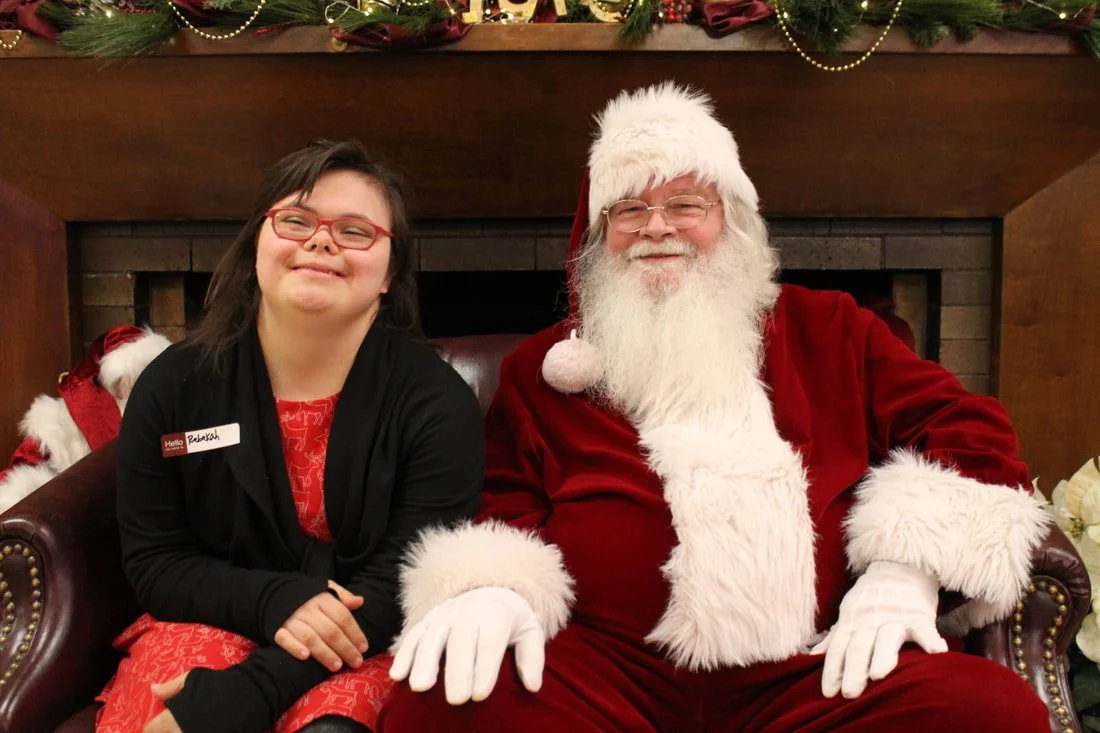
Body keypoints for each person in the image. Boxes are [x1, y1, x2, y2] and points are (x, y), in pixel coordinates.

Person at [376, 83, 1054, 732]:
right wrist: (497, 588)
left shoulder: (834, 330)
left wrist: (908, 569)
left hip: (813, 673)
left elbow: (969, 429)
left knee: (991, 713)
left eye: (686, 204)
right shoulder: (542, 372)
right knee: (437, 703)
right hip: (605, 674)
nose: (657, 228)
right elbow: (504, 501)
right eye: (630, 210)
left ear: (731, 219)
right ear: (598, 236)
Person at [95, 140, 484, 733]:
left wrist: (251, 692)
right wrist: (276, 599)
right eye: (296, 220)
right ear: (258, 243)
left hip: (368, 640)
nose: (320, 240)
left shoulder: (438, 405)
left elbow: (406, 580)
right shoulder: (174, 388)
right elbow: (157, 561)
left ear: (391, 272)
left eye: (355, 231)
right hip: (208, 619)